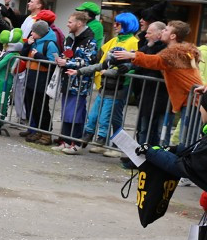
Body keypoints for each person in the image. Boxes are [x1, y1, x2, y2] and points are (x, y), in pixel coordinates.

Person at [111, 20, 203, 147]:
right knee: (187, 138)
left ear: (173, 36)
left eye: (166, 30)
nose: (162, 31)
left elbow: (156, 61)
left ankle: (188, 164)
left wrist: (132, 55)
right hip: (192, 99)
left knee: (187, 140)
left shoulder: (175, 53)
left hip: (194, 100)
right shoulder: (180, 51)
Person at [75, 12, 140, 153]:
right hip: (107, 83)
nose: (115, 26)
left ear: (126, 25)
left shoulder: (134, 42)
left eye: (118, 24)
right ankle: (106, 144)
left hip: (121, 85)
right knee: (110, 116)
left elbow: (135, 64)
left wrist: (116, 71)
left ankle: (117, 147)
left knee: (113, 117)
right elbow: (103, 59)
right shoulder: (115, 40)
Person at [53, 10, 98, 153]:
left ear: (79, 23)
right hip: (67, 79)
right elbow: (67, 53)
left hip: (80, 83)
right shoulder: (70, 38)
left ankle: (76, 143)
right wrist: (62, 59)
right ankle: (65, 141)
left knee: (76, 113)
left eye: (70, 22)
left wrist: (67, 63)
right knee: (66, 112)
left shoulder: (90, 40)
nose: (67, 24)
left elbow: (88, 61)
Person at [19, 19, 60, 144]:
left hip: (42, 78)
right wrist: (27, 45)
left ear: (40, 33)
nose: (31, 33)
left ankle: (46, 133)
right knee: (32, 106)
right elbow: (23, 56)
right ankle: (37, 130)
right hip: (31, 76)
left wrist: (38, 56)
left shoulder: (50, 44)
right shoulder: (34, 42)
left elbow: (53, 64)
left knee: (41, 107)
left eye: (34, 32)